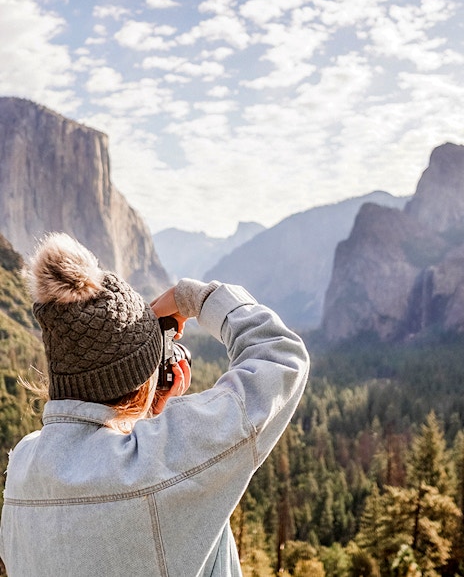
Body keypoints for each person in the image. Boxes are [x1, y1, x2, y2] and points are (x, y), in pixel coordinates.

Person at [0, 232, 309, 577]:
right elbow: (280, 355)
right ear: (140, 383)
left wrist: (146, 410)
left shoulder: (23, 468)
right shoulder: (159, 463)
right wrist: (195, 297)